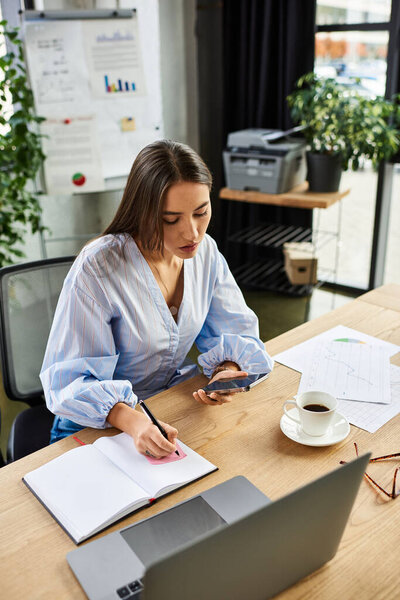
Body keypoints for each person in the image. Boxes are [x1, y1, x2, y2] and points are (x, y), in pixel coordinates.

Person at [40, 140, 273, 458]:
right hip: (94, 426)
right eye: (171, 219)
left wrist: (226, 371)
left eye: (201, 212)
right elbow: (70, 380)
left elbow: (234, 330)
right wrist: (135, 423)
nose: (191, 233)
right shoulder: (98, 267)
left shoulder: (205, 253)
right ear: (142, 212)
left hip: (165, 408)